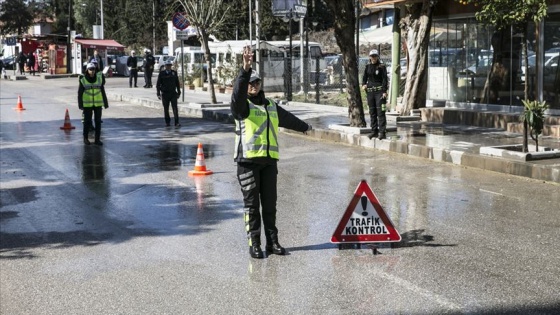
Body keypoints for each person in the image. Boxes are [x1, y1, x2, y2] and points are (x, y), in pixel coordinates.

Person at [230, 46, 312, 259]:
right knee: (252, 206)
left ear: (260, 84)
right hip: (247, 162)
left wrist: (306, 127)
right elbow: (237, 93)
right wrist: (245, 69)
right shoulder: (242, 106)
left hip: (268, 163)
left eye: (256, 82)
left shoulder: (271, 105)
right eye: (250, 83)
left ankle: (272, 242)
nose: (253, 86)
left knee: (270, 206)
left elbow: (288, 119)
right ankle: (254, 243)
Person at [78, 62, 109, 145]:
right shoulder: (83, 79)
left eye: (93, 69)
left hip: (98, 104)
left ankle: (97, 139)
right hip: (87, 105)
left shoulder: (99, 78)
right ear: (87, 70)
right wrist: (80, 105)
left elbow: (102, 89)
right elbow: (80, 93)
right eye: (90, 69)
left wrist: (105, 103)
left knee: (98, 122)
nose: (92, 71)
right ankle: (85, 138)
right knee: (87, 122)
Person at [361, 49, 389, 140]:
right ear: (370, 57)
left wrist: (384, 91)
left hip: (379, 91)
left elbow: (385, 79)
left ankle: (382, 132)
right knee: (372, 112)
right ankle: (374, 131)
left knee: (380, 113)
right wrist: (364, 84)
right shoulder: (367, 66)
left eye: (375, 56)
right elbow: (364, 78)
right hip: (370, 92)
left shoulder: (381, 67)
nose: (373, 58)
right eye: (372, 56)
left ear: (377, 57)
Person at [156, 60, 181, 127]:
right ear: (165, 66)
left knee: (175, 108)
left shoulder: (174, 73)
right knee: (166, 109)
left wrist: (179, 92)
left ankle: (176, 122)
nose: (168, 67)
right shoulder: (162, 73)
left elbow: (177, 83)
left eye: (169, 65)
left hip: (173, 93)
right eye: (167, 65)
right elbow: (158, 84)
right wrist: (158, 93)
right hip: (165, 94)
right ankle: (167, 122)